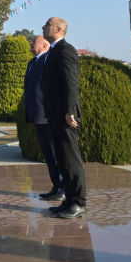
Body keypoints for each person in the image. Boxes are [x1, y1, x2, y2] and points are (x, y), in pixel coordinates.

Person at [41, 16, 87, 218]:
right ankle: (68, 200)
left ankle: (79, 202)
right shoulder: (53, 51)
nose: (43, 27)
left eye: (47, 24)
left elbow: (71, 82)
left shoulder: (66, 50)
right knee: (62, 160)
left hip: (65, 115)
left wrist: (70, 111)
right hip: (54, 113)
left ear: (58, 29)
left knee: (71, 159)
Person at [23, 35, 64, 201]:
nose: (31, 43)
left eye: (35, 41)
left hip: (47, 115)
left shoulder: (48, 60)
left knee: (55, 153)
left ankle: (63, 188)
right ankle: (56, 186)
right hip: (36, 114)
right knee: (48, 154)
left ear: (45, 45)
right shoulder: (32, 62)